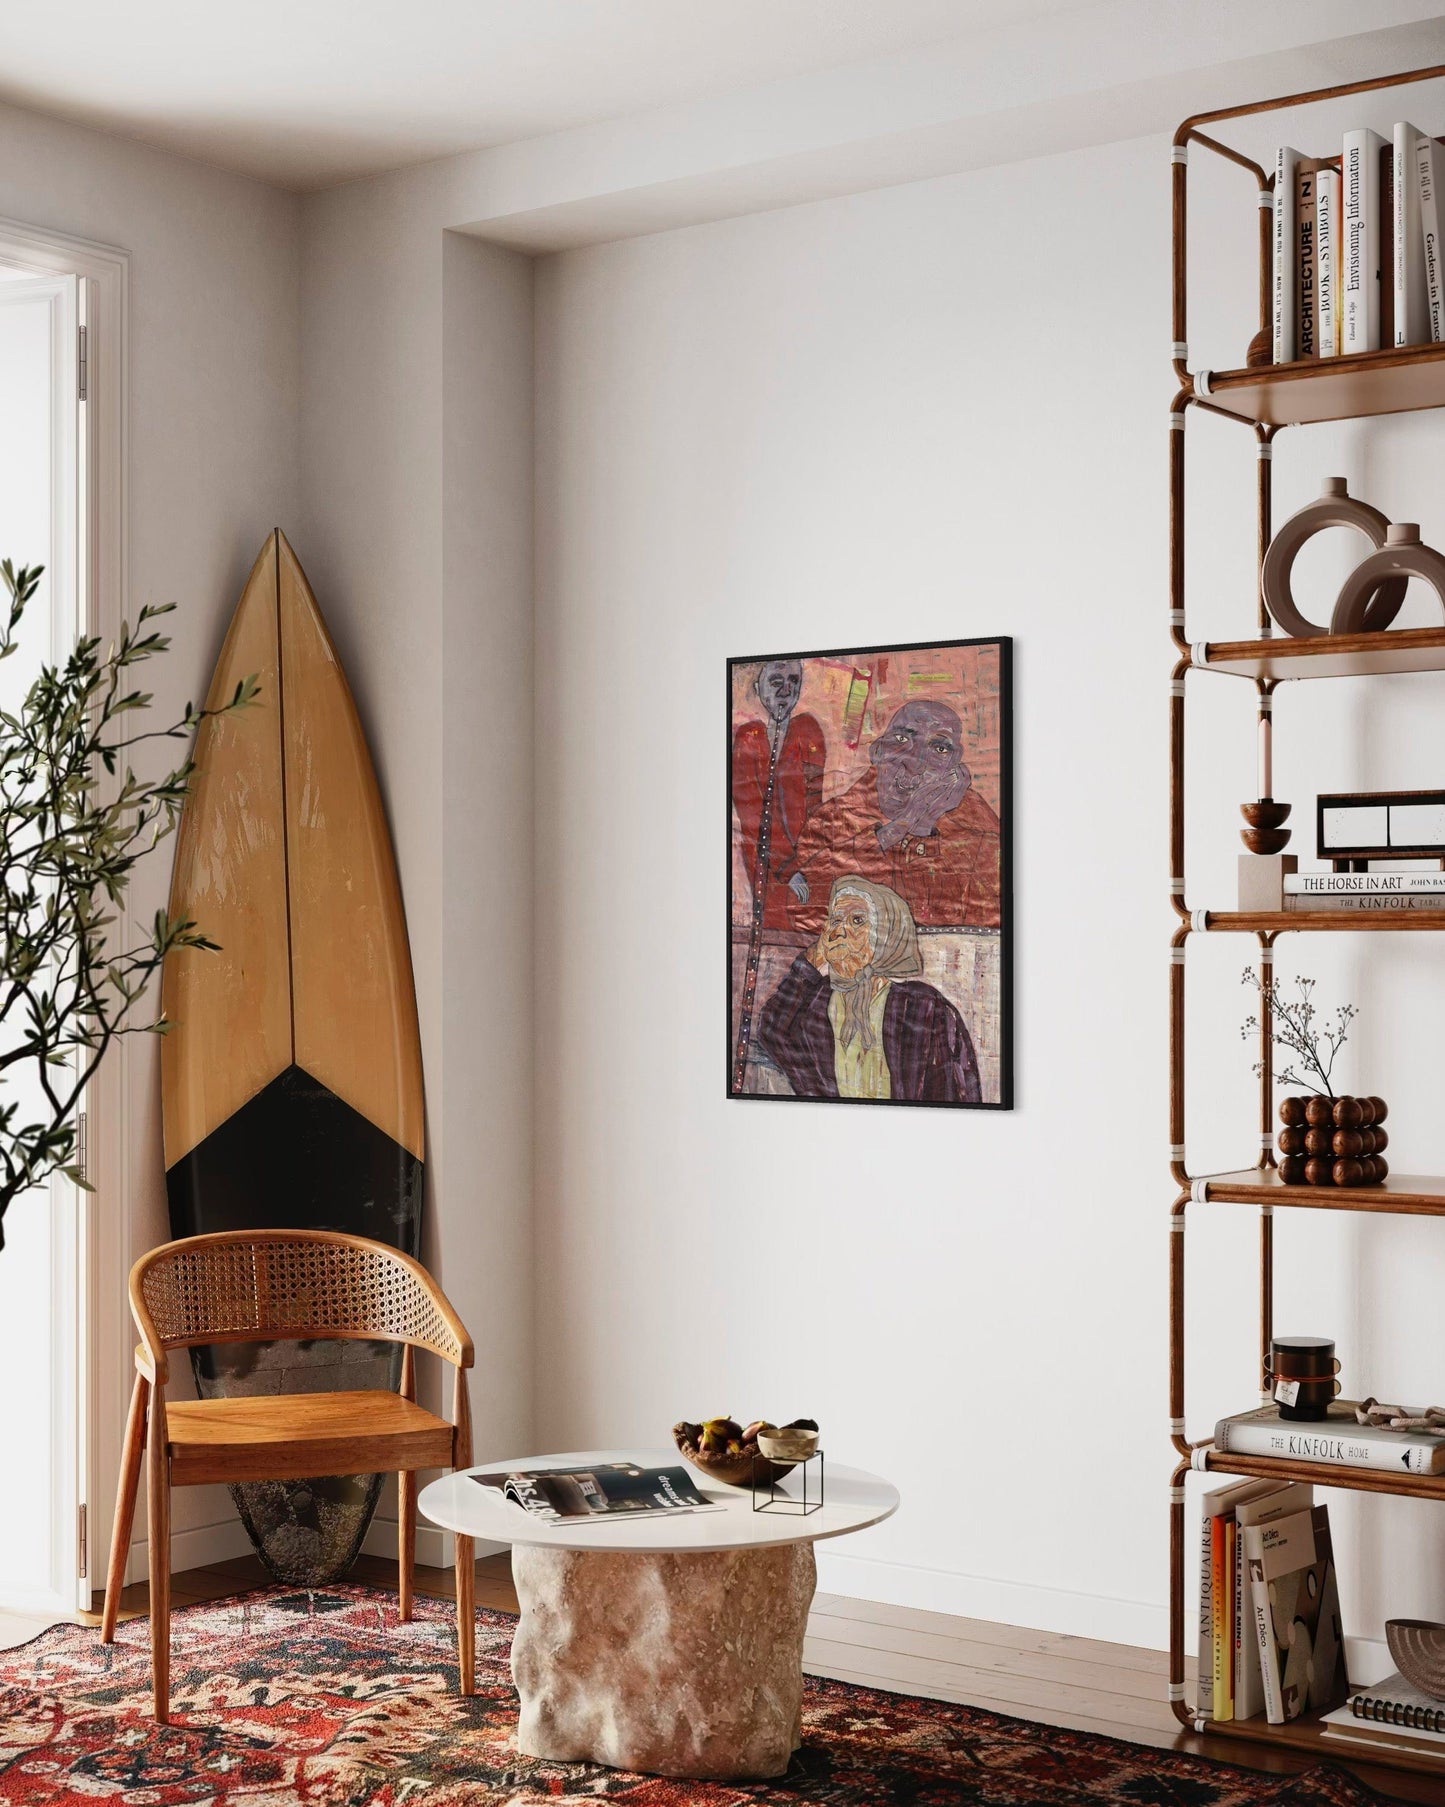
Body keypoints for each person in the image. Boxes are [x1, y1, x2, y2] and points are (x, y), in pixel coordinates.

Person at [759, 875, 982, 1103]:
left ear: (885, 936)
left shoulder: (924, 1007)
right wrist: (809, 963)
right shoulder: (816, 1001)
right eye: (835, 920)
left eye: (857, 920)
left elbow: (957, 1094)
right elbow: (771, 1029)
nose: (839, 930)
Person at [788, 699, 1000, 931]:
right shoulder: (831, 820)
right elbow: (808, 910)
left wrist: (925, 830)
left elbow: (991, 916)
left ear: (955, 765)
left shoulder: (977, 823)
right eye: (901, 739)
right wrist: (903, 825)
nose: (916, 763)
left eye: (939, 748)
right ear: (877, 751)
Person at [731, 659, 826, 931]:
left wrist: (812, 861)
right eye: (776, 682)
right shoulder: (748, 738)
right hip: (767, 861)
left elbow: (815, 804)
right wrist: (788, 867)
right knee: (777, 927)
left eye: (793, 681)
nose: (786, 690)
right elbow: (752, 815)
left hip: (806, 859)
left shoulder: (808, 731)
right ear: (758, 689)